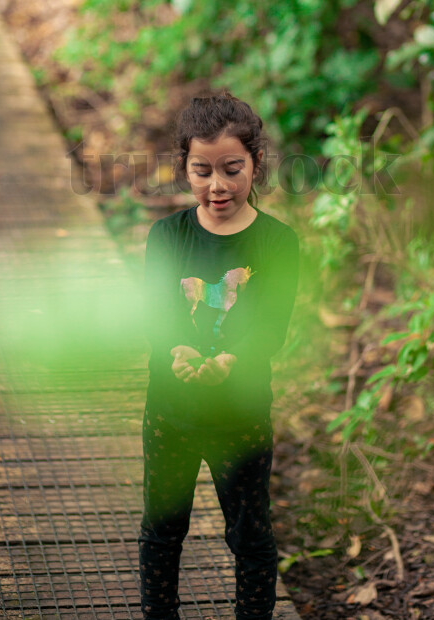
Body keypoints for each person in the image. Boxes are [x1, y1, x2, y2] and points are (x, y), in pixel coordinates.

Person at [138, 91, 300, 620]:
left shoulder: (277, 243)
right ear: (184, 167)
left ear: (256, 162)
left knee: (250, 536)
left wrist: (232, 361)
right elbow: (159, 315)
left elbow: (271, 328)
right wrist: (177, 348)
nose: (217, 185)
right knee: (162, 532)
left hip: (242, 415)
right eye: (202, 170)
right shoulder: (167, 236)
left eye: (232, 168)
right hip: (171, 415)